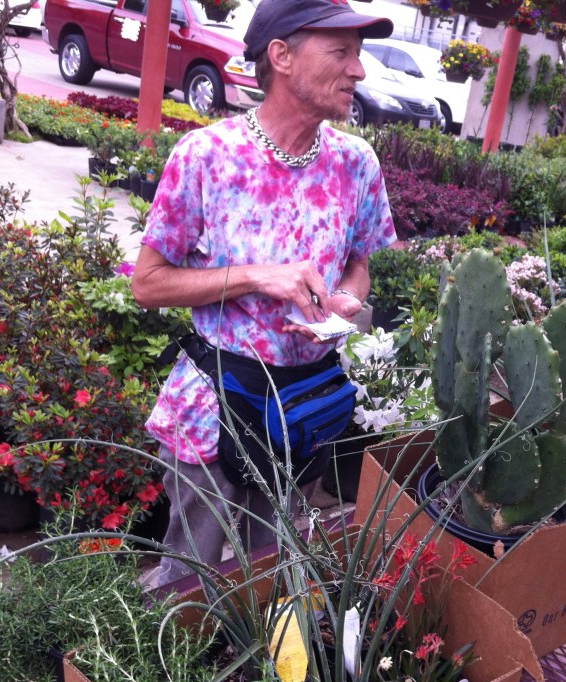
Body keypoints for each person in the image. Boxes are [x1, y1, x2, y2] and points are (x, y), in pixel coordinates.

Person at [131, 0, 397, 585]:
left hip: (303, 409)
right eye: (341, 52)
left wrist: (345, 302)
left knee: (272, 573)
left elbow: (359, 265)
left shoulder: (356, 163)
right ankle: (179, 669)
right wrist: (256, 275)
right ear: (281, 56)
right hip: (217, 406)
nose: (359, 70)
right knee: (190, 582)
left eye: (359, 53)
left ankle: (259, 677)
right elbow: (146, 284)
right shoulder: (207, 157)